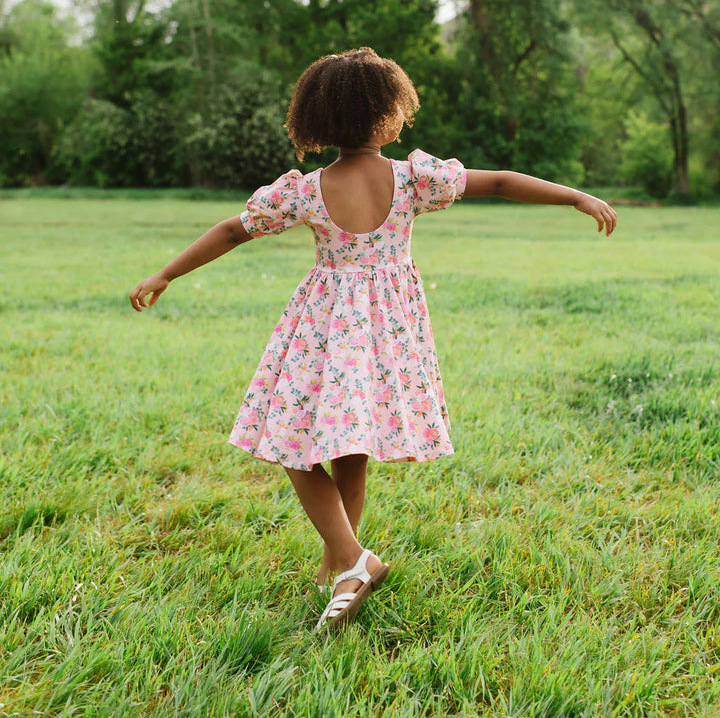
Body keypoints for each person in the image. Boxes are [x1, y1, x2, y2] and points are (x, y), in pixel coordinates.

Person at [129, 47, 617, 632]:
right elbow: (502, 181)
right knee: (346, 447)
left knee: (289, 441)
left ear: (319, 120)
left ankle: (350, 560)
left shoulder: (307, 189)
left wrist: (166, 273)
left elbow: (234, 229)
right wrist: (575, 195)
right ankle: (344, 560)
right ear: (389, 115)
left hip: (325, 326)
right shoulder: (413, 179)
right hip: (388, 332)